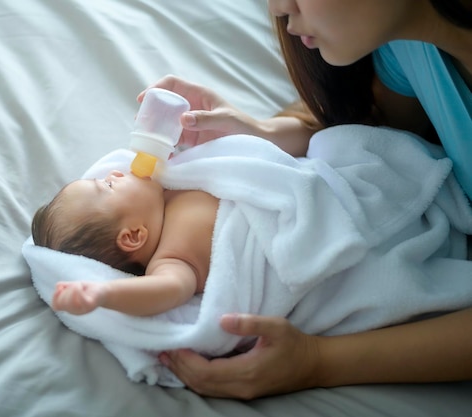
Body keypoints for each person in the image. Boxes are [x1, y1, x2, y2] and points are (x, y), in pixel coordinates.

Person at [135, 0, 472, 400]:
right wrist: (259, 133)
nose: (277, 7)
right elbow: (372, 123)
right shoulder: (408, 44)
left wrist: (318, 361)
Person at [31, 170, 218, 316]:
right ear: (133, 236)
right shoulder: (172, 259)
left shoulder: (166, 190)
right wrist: (105, 294)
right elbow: (170, 289)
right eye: (109, 184)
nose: (115, 172)